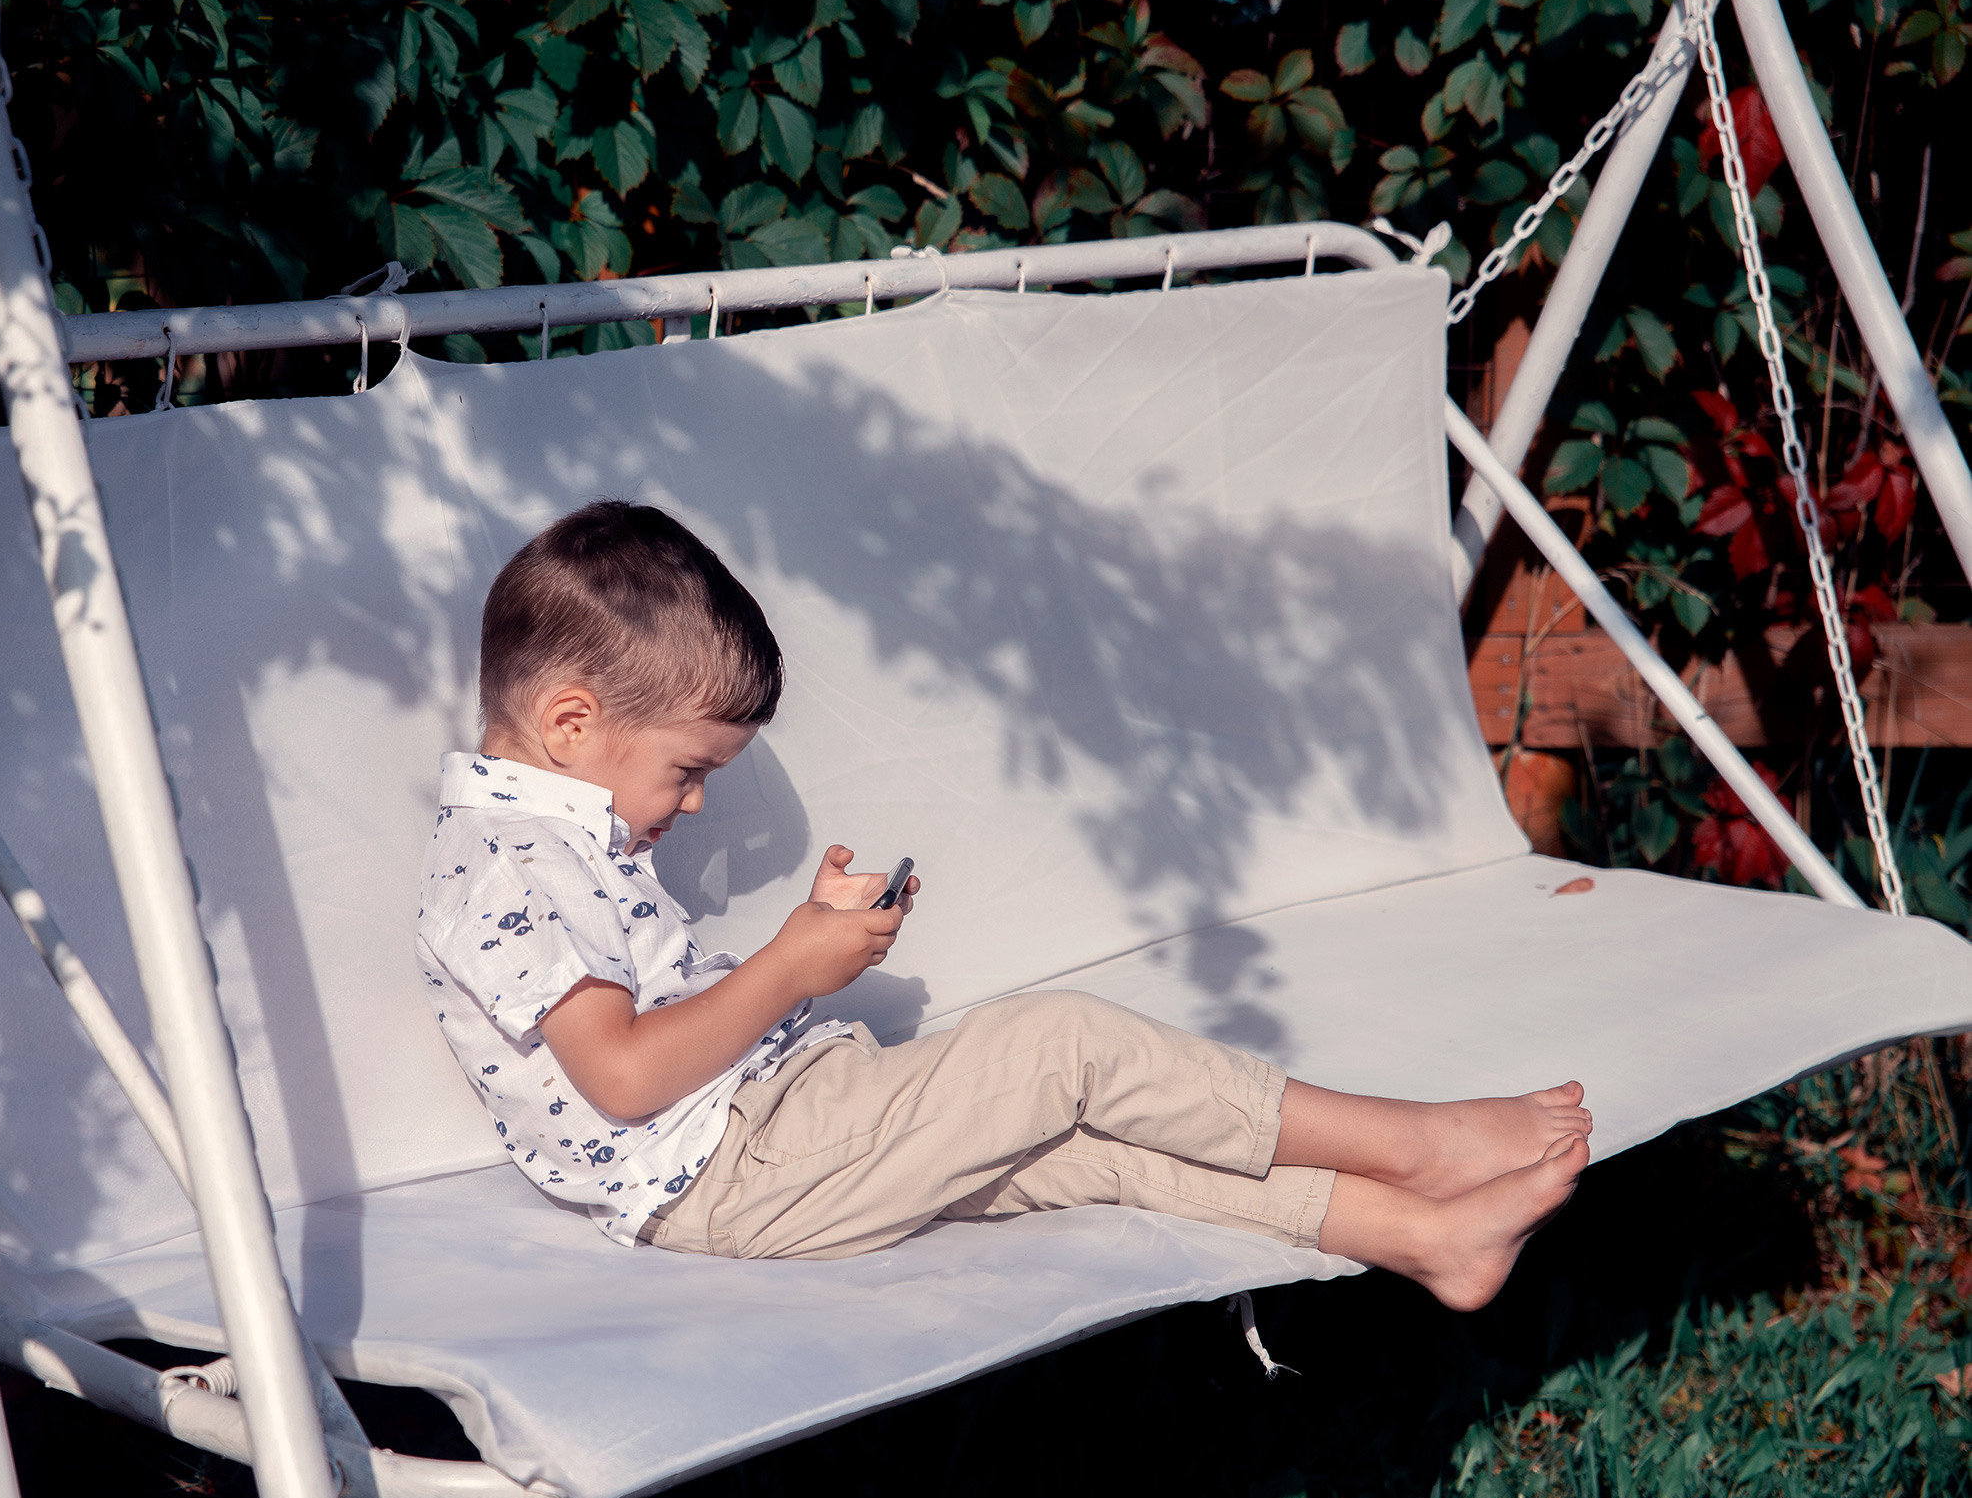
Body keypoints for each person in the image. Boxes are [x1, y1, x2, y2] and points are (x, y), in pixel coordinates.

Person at [414, 500, 1591, 1311]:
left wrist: (792, 955)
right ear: (571, 721)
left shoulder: (550, 832)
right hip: (725, 1172)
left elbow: (648, 1018)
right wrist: (785, 965)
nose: (695, 802)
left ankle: (1429, 1238)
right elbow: (620, 1075)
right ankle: (1421, 1144)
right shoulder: (512, 861)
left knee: (1089, 1142)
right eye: (688, 770)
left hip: (770, 1126)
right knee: (1063, 1046)